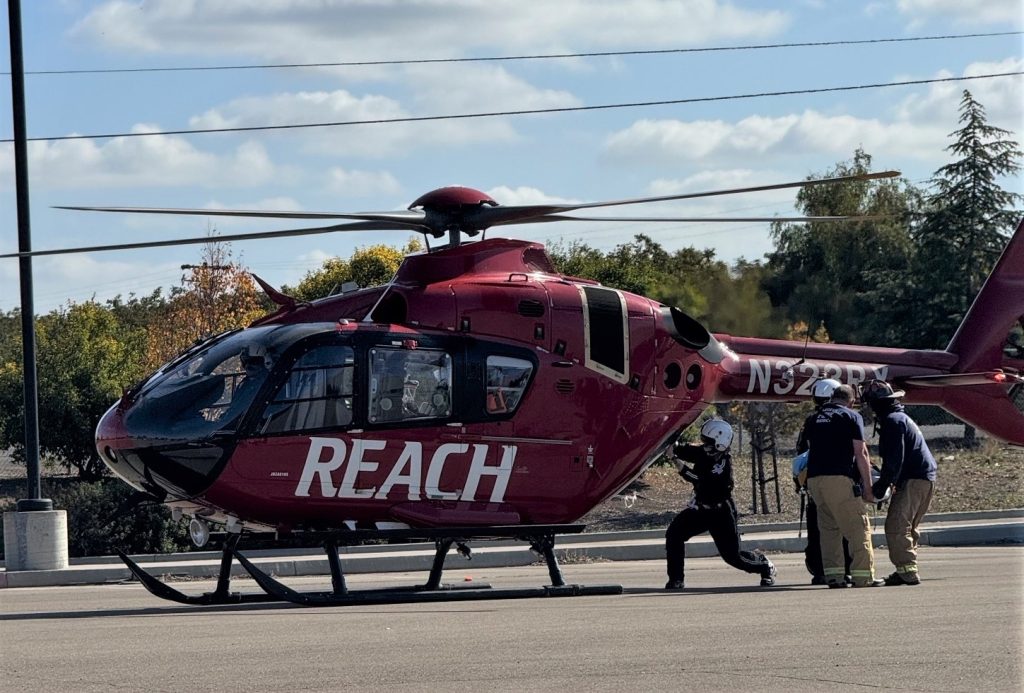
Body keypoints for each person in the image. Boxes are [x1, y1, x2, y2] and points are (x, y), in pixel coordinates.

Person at [665, 419, 776, 590]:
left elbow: (698, 480)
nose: (704, 445)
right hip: (701, 510)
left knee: (733, 557)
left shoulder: (723, 465)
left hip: (721, 513)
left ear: (720, 444)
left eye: (708, 442)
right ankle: (676, 579)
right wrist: (672, 444)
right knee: (674, 534)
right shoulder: (705, 452)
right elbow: (685, 450)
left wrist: (675, 460)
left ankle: (765, 566)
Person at [805, 384, 883, 588]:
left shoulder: (814, 418)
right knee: (858, 528)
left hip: (815, 480)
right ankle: (863, 576)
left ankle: (834, 576)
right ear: (851, 401)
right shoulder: (851, 416)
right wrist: (868, 488)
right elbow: (861, 453)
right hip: (839, 479)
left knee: (829, 529)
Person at [861, 379, 938, 586]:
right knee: (907, 526)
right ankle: (907, 569)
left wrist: (882, 485)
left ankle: (907, 571)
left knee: (896, 525)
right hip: (924, 478)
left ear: (875, 404)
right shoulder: (901, 418)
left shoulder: (892, 422)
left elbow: (895, 459)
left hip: (913, 479)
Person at [795, 378, 852, 585]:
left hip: (814, 485)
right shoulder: (845, 418)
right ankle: (846, 570)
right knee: (843, 527)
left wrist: (800, 484)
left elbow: (800, 455)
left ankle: (822, 570)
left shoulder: (811, 422)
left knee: (818, 528)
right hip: (839, 482)